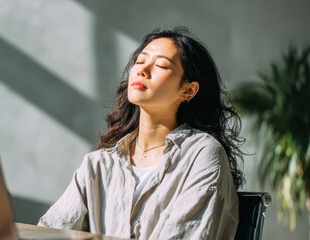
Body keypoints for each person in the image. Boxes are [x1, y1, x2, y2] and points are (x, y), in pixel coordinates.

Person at [38, 26, 244, 239]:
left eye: (162, 65)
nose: (142, 70)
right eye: (140, 61)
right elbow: (49, 233)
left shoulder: (202, 154)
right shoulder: (98, 164)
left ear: (187, 90)